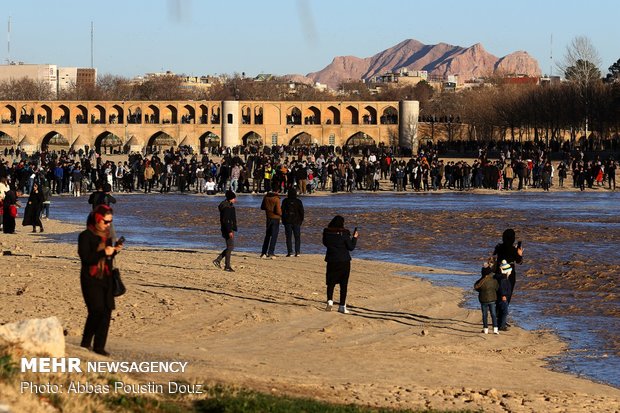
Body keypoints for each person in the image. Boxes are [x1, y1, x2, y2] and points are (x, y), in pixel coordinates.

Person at [78, 204, 123, 356]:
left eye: (110, 222)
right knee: (96, 310)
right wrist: (104, 252)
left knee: (106, 312)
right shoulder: (85, 236)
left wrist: (114, 251)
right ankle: (85, 342)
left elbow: (108, 258)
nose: (108, 225)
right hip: (91, 278)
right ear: (97, 220)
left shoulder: (108, 236)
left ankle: (99, 346)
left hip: (107, 277)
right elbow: (86, 258)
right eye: (105, 221)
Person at [322, 215, 358, 314]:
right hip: (344, 260)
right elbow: (351, 247)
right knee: (343, 284)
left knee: (331, 282)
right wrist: (354, 238)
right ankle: (342, 306)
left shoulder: (327, 232)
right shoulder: (344, 233)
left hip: (331, 260)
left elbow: (325, 243)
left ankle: (329, 301)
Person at [213, 190, 237, 272]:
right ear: (230, 198)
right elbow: (226, 220)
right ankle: (226, 265)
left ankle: (219, 260)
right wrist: (230, 230)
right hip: (227, 229)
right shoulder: (227, 207)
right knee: (230, 246)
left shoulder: (227, 205)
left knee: (230, 246)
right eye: (234, 198)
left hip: (227, 228)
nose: (235, 200)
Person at [474, 259, 499, 334]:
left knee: (484, 314)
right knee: (493, 314)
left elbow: (476, 287)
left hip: (483, 300)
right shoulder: (494, 280)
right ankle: (495, 329)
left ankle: (485, 329)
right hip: (492, 299)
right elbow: (497, 288)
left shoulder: (481, 281)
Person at [281, 188, 304, 257]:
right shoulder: (298, 201)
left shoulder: (285, 201)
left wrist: (283, 220)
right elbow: (302, 212)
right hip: (297, 221)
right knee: (297, 237)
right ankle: (297, 252)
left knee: (288, 237)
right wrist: (301, 221)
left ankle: (290, 252)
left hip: (288, 221)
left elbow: (282, 211)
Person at [259, 188, 282, 259]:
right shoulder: (276, 199)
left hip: (268, 217)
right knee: (274, 236)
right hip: (275, 218)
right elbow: (278, 211)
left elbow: (262, 207)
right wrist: (282, 214)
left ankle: (263, 252)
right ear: (278, 191)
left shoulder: (266, 196)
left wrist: (268, 209)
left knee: (267, 235)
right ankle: (271, 252)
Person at [495, 260, 513, 331]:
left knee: (501, 311)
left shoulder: (502, 278)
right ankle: (502, 326)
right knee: (504, 312)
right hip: (503, 297)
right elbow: (502, 288)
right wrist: (503, 295)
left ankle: (500, 324)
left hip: (502, 297)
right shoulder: (503, 279)